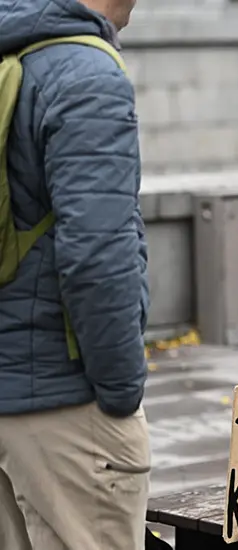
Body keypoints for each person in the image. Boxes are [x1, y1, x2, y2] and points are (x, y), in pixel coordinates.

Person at [0, 1, 150, 550]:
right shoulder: (84, 73)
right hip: (64, 402)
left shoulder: (12, 50)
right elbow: (97, 258)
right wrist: (119, 391)